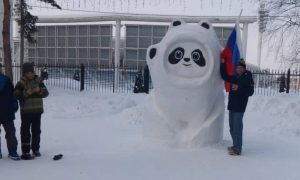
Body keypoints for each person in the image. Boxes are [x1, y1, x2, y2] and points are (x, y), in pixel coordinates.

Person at [14, 62, 49, 160]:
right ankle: (25, 151)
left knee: (36, 131)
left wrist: (39, 90)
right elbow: (16, 94)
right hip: (26, 111)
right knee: (25, 131)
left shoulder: (38, 81)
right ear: (24, 73)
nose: (30, 75)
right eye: (27, 73)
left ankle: (35, 149)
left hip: (37, 111)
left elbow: (46, 93)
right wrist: (26, 93)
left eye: (31, 72)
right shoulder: (21, 82)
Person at [220, 59, 254, 156]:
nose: (238, 69)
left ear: (244, 68)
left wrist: (239, 88)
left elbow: (250, 92)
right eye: (237, 67)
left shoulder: (248, 77)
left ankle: (237, 148)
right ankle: (236, 145)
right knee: (232, 128)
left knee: (237, 128)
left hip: (240, 107)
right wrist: (223, 63)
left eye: (240, 68)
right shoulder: (235, 77)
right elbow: (225, 76)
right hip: (232, 106)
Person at [0, 63, 20, 160]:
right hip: (7, 111)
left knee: (11, 132)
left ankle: (12, 151)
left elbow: (13, 95)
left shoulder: (7, 80)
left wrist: (14, 105)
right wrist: (14, 105)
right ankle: (12, 151)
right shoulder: (7, 80)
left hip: (7, 111)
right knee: (11, 132)